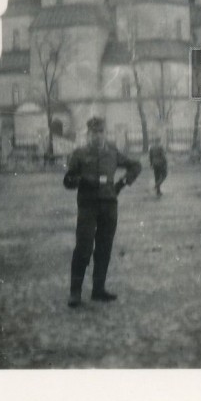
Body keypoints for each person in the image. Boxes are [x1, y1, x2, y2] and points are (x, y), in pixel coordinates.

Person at [63, 117, 141, 308]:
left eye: (101, 132)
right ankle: (75, 293)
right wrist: (81, 180)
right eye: (94, 133)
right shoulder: (79, 154)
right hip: (87, 206)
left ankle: (98, 290)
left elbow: (136, 166)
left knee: (104, 248)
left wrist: (121, 184)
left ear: (105, 133)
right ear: (88, 134)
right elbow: (67, 181)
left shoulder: (113, 151)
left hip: (109, 205)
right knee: (83, 248)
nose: (97, 136)